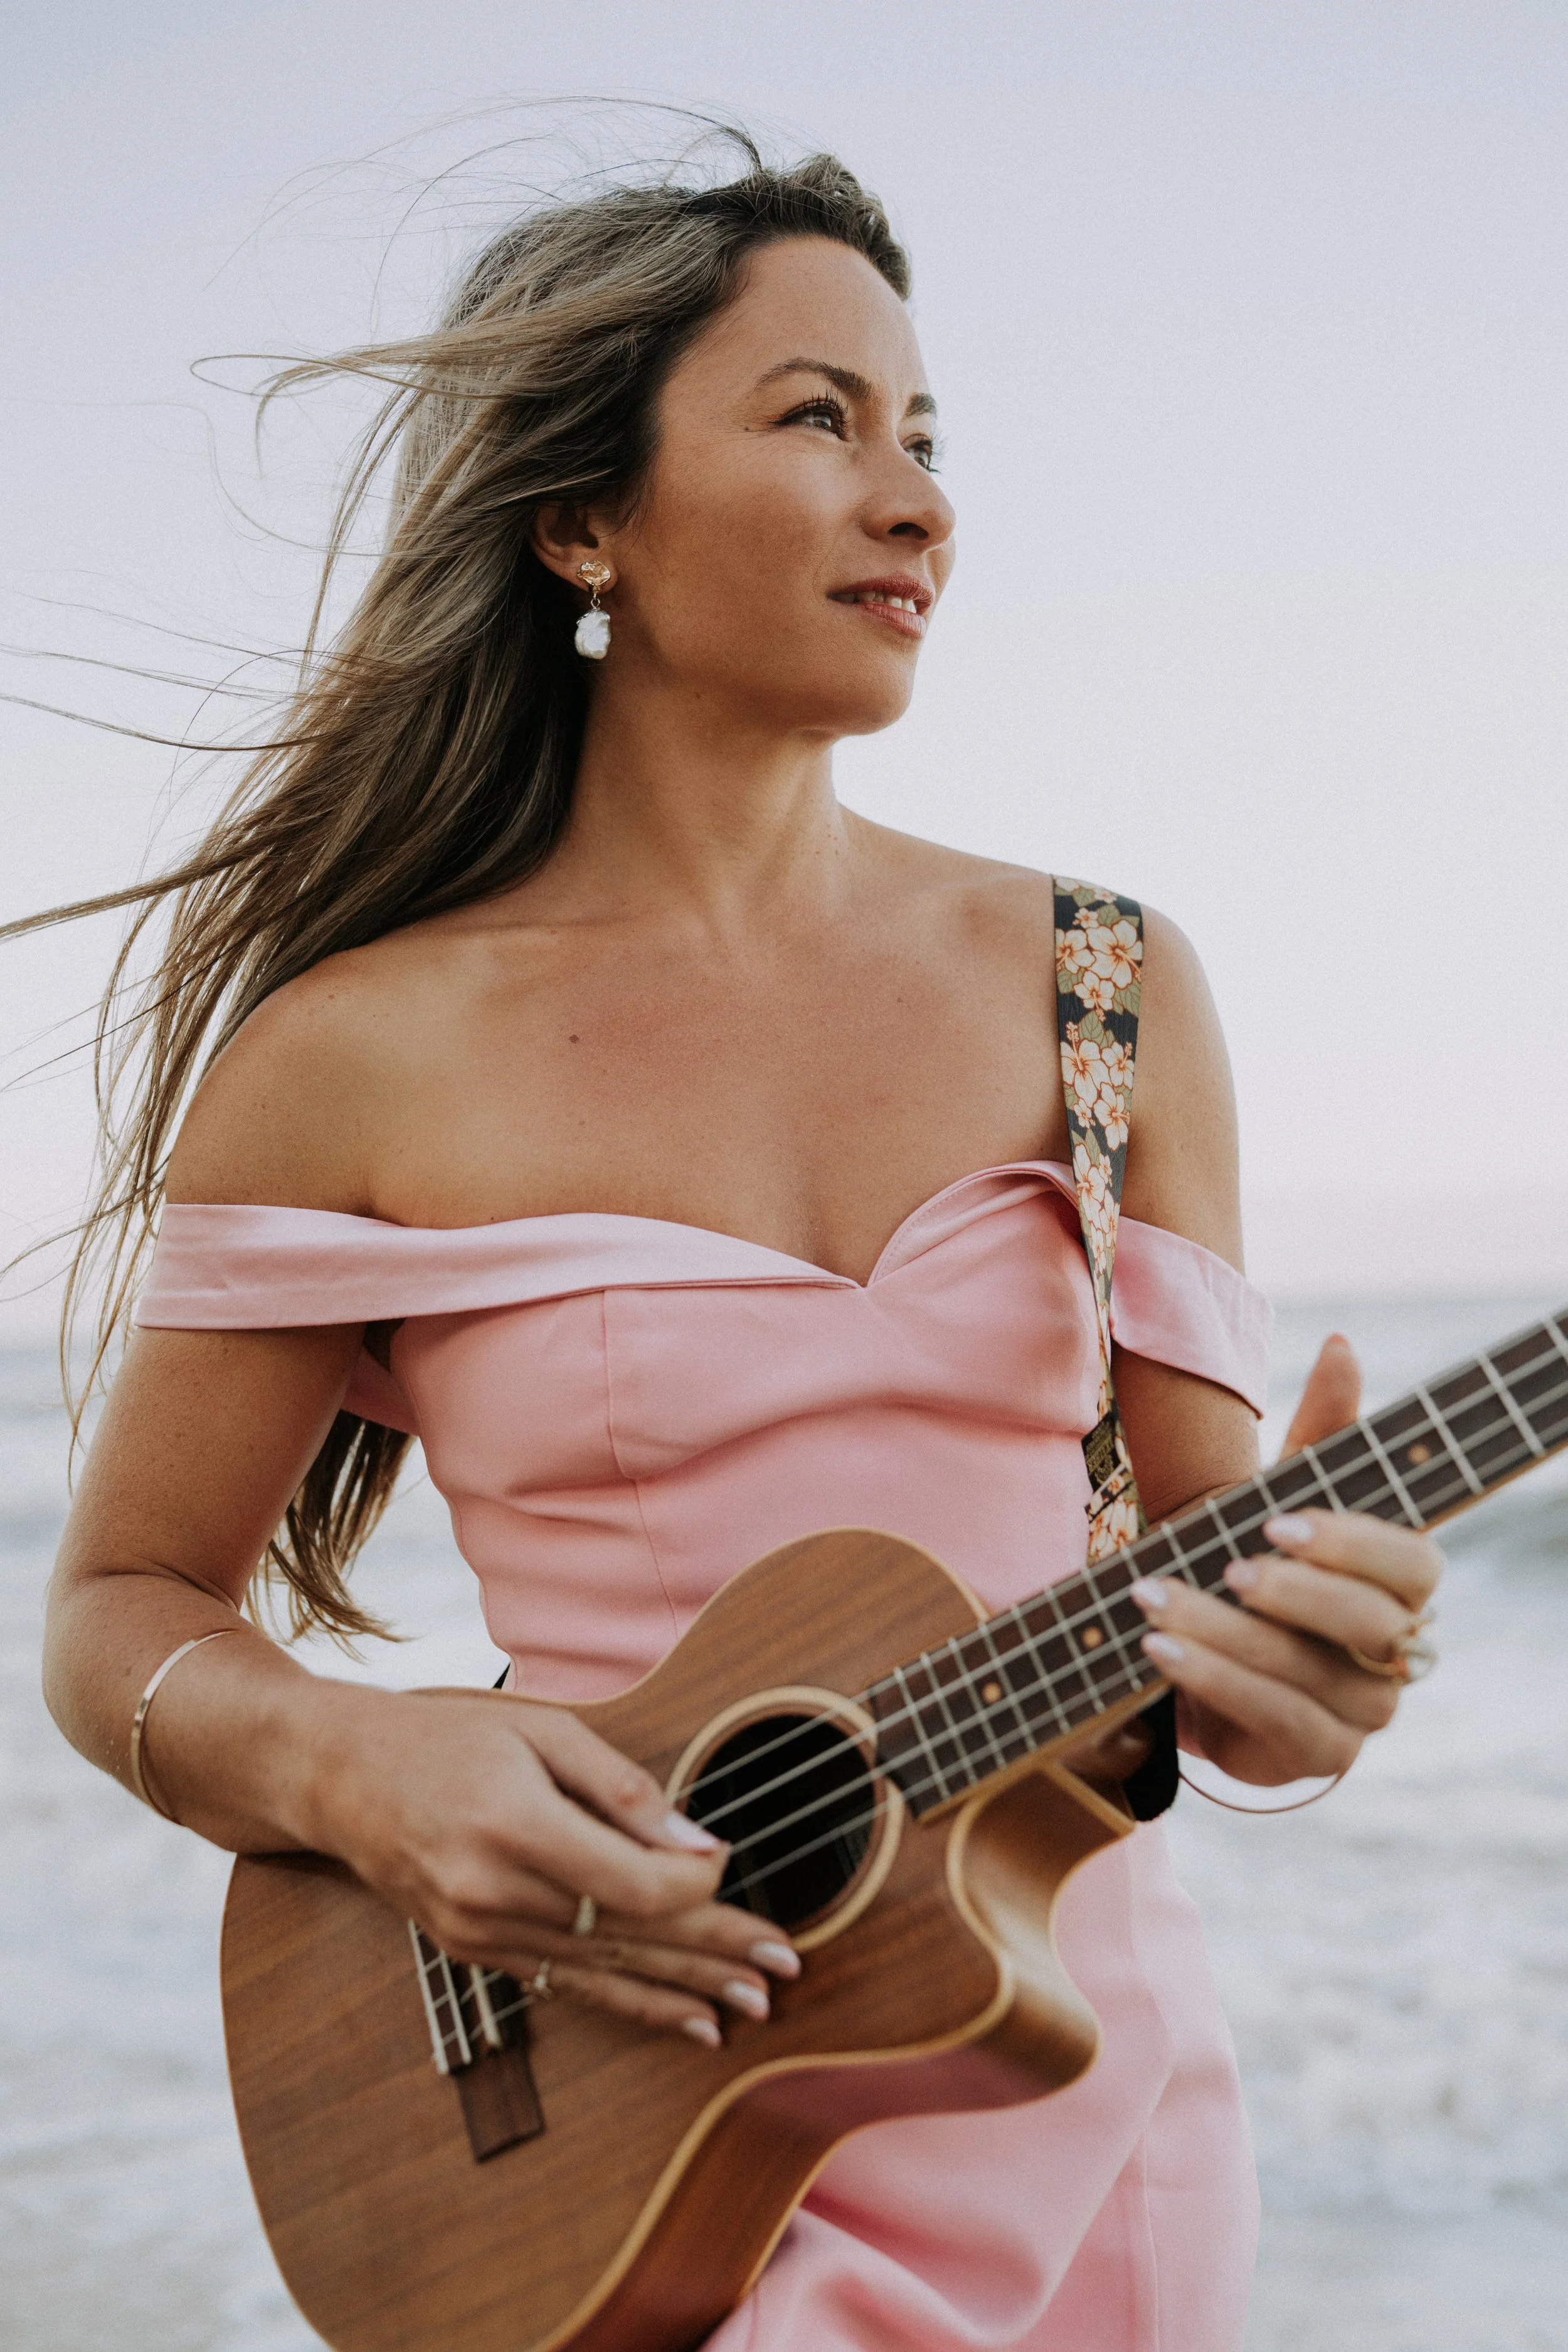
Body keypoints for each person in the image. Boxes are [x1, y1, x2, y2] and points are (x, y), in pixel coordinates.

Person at [33, 146, 1441, 2349]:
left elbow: (1207, 1670)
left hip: (1082, 2109)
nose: (916, 502)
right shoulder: (352, 1056)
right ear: (580, 518)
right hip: (611, 2129)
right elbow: (119, 1606)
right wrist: (349, 1766)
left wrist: (1316, 1683)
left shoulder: (1105, 989)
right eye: (818, 418)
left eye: (926, 436)